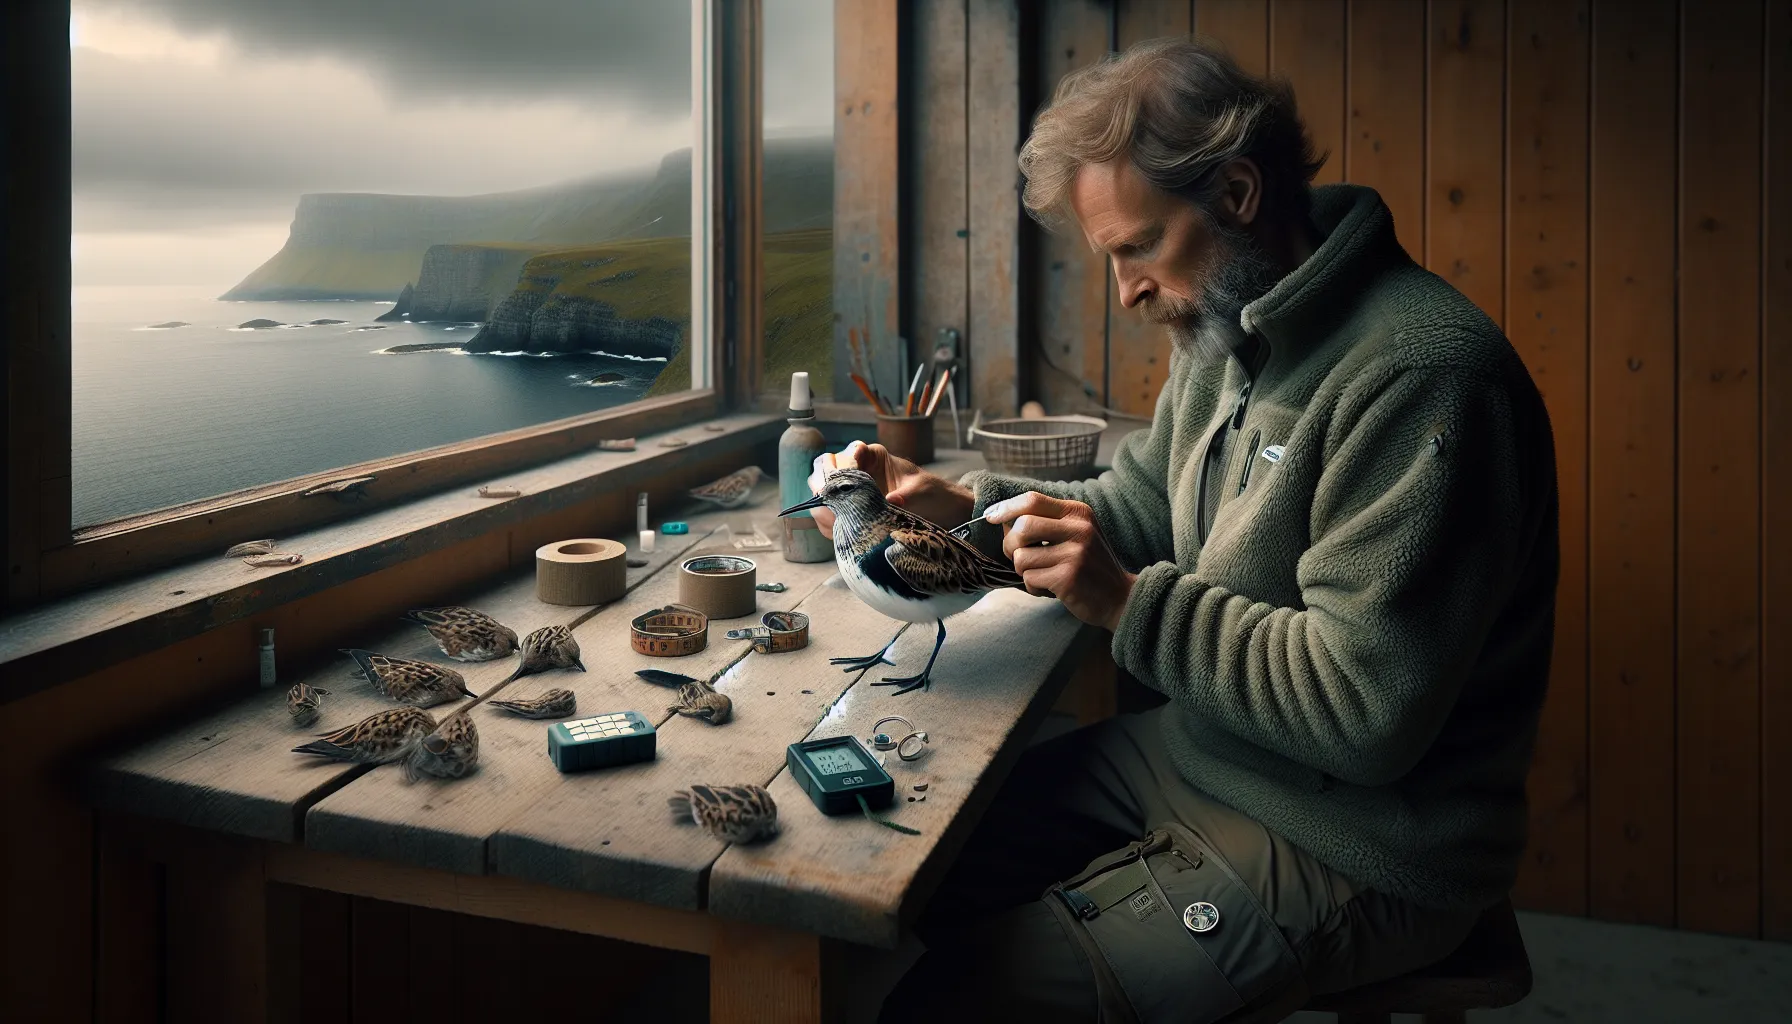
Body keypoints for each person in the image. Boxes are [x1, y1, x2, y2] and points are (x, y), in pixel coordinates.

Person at [809, 36, 1561, 1024]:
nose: (1123, 291)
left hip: (1362, 839)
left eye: (1135, 247)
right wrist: (963, 509)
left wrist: (1123, 599)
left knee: (942, 1009)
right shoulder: (1226, 328)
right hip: (1206, 751)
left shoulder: (1423, 374)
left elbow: (1364, 713)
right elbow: (1136, 512)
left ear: (1239, 194)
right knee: (894, 869)